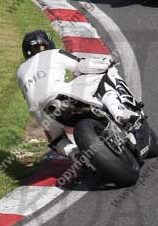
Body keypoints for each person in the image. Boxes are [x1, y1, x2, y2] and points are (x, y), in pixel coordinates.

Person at [18, 30, 143, 162]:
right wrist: (107, 62)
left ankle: (75, 155)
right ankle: (120, 114)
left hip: (40, 112)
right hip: (60, 95)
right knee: (103, 75)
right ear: (48, 43)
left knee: (56, 139)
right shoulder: (54, 53)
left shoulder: (20, 71)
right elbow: (81, 65)